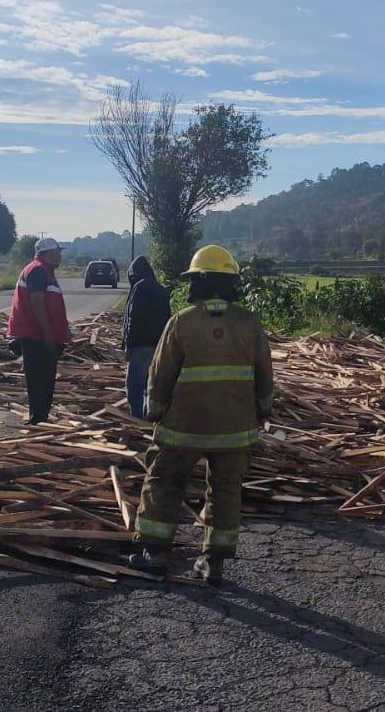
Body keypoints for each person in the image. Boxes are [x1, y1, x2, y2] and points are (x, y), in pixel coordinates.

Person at [128, 245, 273, 585]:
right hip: (235, 430)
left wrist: (156, 412)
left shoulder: (181, 322)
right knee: (225, 491)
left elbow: (159, 374)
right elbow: (265, 374)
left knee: (163, 482)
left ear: (200, 282)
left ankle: (155, 552)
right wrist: (263, 411)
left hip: (183, 428)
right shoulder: (249, 324)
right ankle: (213, 561)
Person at [7, 237, 70, 426]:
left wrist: (63, 329)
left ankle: (41, 416)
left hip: (39, 335)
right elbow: (36, 301)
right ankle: (38, 418)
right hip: (37, 337)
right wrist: (49, 333)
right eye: (58, 252)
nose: (60, 256)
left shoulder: (44, 271)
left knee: (44, 379)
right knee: (39, 379)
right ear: (48, 254)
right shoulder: (38, 271)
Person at [122, 255, 170, 419]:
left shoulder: (140, 288)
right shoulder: (161, 289)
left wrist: (128, 344)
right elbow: (168, 318)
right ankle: (150, 416)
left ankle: (137, 420)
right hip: (158, 345)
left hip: (141, 346)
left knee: (135, 386)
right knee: (151, 385)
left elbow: (134, 319)